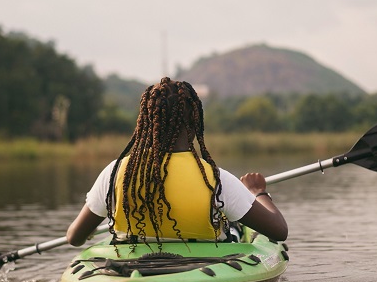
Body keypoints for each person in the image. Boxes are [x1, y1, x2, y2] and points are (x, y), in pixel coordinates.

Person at [66, 77, 288, 247]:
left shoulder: (115, 173)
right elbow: (279, 231)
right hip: (204, 268)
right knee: (232, 226)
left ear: (146, 123)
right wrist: (258, 192)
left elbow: (74, 237)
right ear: (195, 122)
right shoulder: (216, 180)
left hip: (129, 265)